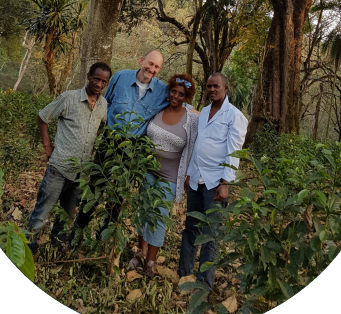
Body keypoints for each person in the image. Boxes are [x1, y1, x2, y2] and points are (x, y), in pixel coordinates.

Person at [72, 50, 195, 238]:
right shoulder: (120, 77)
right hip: (110, 143)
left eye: (156, 67)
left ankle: (103, 239)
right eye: (150, 64)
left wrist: (202, 114)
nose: (152, 69)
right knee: (96, 189)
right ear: (142, 60)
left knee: (118, 196)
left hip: (133, 149)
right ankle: (76, 235)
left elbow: (179, 101)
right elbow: (104, 103)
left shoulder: (162, 90)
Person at [26, 62, 112, 255]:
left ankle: (56, 251)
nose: (99, 84)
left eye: (103, 81)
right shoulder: (69, 98)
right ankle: (26, 252)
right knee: (42, 213)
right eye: (96, 79)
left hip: (80, 173)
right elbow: (43, 117)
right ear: (89, 76)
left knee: (65, 217)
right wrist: (47, 146)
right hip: (59, 167)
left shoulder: (103, 104)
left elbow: (102, 126)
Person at [177, 72, 248, 291]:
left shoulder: (234, 116)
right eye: (208, 86)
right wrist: (189, 173)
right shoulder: (205, 112)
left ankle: (203, 283)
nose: (212, 90)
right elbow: (198, 145)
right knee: (191, 227)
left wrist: (226, 182)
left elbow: (234, 150)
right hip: (197, 178)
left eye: (216, 86)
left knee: (211, 233)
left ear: (226, 88)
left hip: (215, 182)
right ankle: (184, 273)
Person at [129, 74, 199, 277]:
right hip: (147, 170)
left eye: (182, 94)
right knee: (143, 211)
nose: (176, 96)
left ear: (187, 97)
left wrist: (188, 174)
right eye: (174, 91)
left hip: (169, 176)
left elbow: (195, 146)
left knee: (158, 215)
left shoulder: (192, 118)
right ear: (169, 91)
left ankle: (151, 261)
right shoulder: (158, 107)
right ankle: (140, 252)